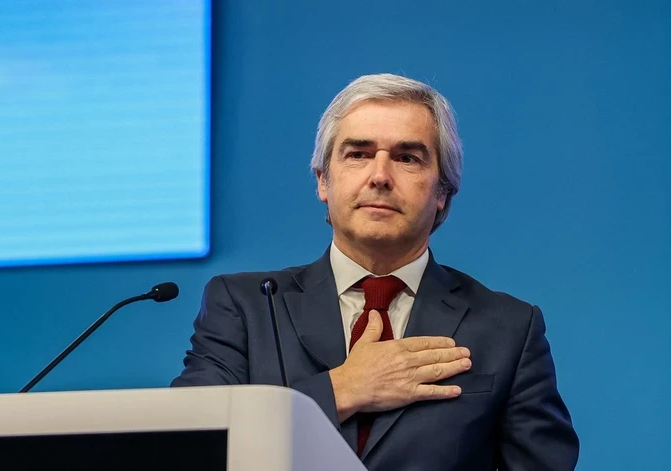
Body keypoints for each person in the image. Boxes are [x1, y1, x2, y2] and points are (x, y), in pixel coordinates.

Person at [171, 73, 579, 470]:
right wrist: (341, 389)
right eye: (358, 154)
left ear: (442, 192)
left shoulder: (509, 328)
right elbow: (187, 447)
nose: (380, 177)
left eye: (407, 158)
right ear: (323, 181)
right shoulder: (246, 307)